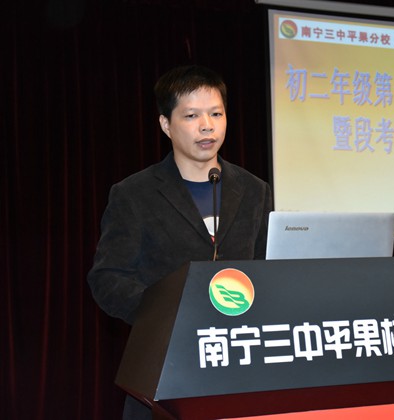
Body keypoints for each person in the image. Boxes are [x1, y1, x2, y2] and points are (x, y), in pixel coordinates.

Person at [87, 65, 272, 419]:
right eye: (191, 115)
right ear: (165, 124)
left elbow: (269, 269)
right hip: (165, 370)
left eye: (216, 113)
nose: (207, 126)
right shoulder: (134, 194)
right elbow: (108, 278)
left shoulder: (254, 190)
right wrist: (167, 315)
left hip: (241, 365)